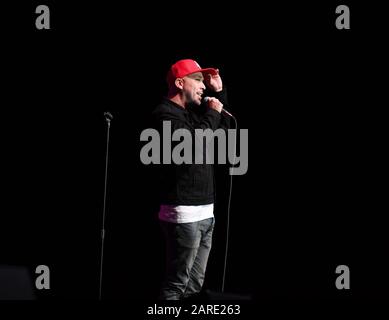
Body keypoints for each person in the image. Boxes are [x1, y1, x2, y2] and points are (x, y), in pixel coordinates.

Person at [152, 59, 231, 300]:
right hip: (183, 214)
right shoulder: (164, 115)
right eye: (197, 79)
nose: (203, 86)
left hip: (206, 212)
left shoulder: (193, 115)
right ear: (179, 82)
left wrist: (220, 94)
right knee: (177, 286)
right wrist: (212, 114)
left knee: (194, 287)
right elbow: (192, 146)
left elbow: (221, 134)